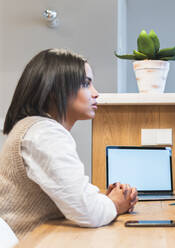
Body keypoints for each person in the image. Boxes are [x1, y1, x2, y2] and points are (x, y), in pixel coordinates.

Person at [0, 49, 138, 239]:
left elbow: (77, 199)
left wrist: (104, 201)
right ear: (55, 91)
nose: (95, 93)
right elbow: (88, 211)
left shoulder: (35, 129)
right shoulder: (44, 133)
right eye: (86, 84)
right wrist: (115, 204)